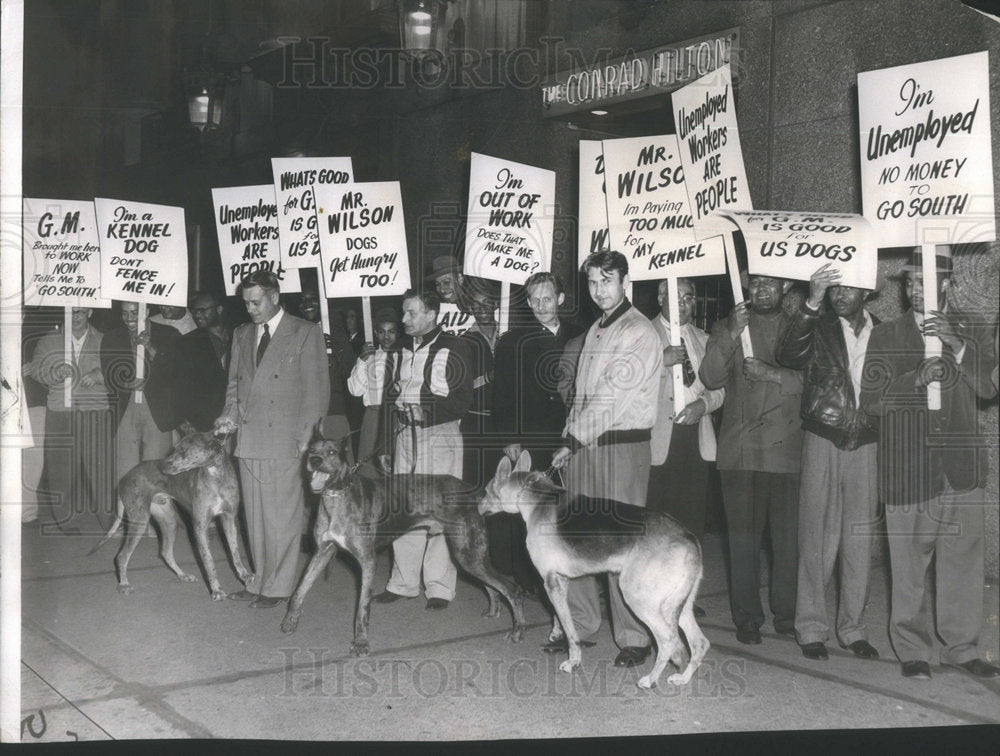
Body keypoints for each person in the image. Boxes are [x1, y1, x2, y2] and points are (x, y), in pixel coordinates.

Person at [860, 247, 999, 680]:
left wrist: (959, 349)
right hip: (908, 470)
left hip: (961, 469)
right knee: (908, 565)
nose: (917, 289)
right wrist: (911, 381)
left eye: (925, 281)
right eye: (910, 282)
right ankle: (912, 649)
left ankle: (962, 646)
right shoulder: (886, 336)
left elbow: (988, 390)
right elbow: (872, 406)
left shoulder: (972, 328)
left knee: (963, 561)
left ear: (947, 284)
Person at [550, 251, 662, 668]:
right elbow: (581, 397)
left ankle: (634, 634)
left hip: (620, 448)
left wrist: (573, 441)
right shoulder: (596, 329)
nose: (599, 291)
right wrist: (569, 438)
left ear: (625, 281)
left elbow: (612, 398)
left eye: (607, 281)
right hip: (582, 446)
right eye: (593, 283)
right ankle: (580, 623)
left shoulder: (639, 332)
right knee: (577, 534)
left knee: (619, 543)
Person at [776, 263, 881, 662]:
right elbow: (787, 354)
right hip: (822, 435)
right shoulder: (816, 323)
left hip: (866, 441)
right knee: (815, 537)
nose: (840, 293)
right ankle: (812, 628)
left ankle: (853, 629)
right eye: (834, 287)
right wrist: (812, 300)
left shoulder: (883, 329)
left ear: (868, 290)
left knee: (859, 540)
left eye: (849, 286)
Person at [214, 271, 329, 609]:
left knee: (282, 518)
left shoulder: (305, 332)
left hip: (286, 440)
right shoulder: (241, 334)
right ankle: (259, 579)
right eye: (246, 303)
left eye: (256, 302)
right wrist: (228, 417)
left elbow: (316, 393)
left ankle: (278, 587)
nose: (250, 309)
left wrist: (306, 443)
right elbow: (236, 389)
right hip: (249, 439)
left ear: (275, 297)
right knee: (256, 518)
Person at [700, 272, 802, 646]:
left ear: (786, 287)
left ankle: (786, 614)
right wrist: (730, 333)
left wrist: (773, 375)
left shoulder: (801, 327)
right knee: (742, 540)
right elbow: (710, 378)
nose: (761, 290)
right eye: (755, 282)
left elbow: (816, 383)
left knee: (786, 541)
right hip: (740, 451)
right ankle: (747, 617)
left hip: (786, 449)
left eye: (770, 283)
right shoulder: (728, 326)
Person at [373, 288, 473, 611]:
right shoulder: (399, 349)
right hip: (404, 435)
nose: (404, 320)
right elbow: (390, 398)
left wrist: (426, 410)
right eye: (404, 312)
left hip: (439, 435)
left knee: (439, 509)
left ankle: (440, 586)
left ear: (431, 314)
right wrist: (385, 443)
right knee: (404, 507)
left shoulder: (456, 347)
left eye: (411, 313)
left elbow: (462, 400)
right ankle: (403, 582)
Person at [492, 272, 583, 591]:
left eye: (548, 298)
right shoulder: (513, 340)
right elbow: (501, 394)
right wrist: (509, 437)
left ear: (560, 299)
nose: (541, 306)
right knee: (530, 508)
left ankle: (569, 571)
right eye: (535, 300)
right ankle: (528, 580)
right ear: (527, 302)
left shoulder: (582, 336)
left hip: (570, 433)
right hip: (530, 435)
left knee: (568, 505)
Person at [647, 278, 723, 617]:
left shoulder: (706, 340)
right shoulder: (642, 334)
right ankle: (653, 597)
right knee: (656, 525)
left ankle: (685, 600)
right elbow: (624, 382)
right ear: (660, 297)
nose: (684, 303)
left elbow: (721, 388)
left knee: (690, 525)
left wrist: (702, 406)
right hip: (658, 441)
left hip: (696, 438)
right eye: (676, 296)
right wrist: (658, 361)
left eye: (689, 297)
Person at [27, 307, 114, 534]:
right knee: (61, 470)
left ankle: (109, 521)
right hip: (60, 412)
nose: (75, 317)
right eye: (71, 312)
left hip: (96, 412)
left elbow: (118, 373)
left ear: (91, 312)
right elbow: (35, 369)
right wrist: (54, 372)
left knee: (101, 469)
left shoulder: (105, 339)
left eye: (81, 312)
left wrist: (99, 375)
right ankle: (65, 521)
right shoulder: (50, 339)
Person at [101, 301, 180, 484]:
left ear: (147, 311)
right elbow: (108, 374)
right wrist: (126, 383)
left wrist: (150, 348)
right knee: (124, 472)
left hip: (158, 411)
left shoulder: (169, 334)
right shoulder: (112, 337)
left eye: (135, 313)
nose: (129, 318)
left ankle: (154, 512)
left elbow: (176, 371)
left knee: (156, 473)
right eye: (125, 313)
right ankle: (124, 513)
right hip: (125, 409)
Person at [347, 307, 401, 466]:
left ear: (398, 333)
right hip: (374, 416)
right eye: (382, 332)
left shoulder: (405, 356)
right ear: (376, 333)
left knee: (396, 465)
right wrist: (362, 361)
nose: (386, 336)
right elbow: (355, 391)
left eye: (391, 332)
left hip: (397, 416)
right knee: (369, 466)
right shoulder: (369, 357)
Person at [299, 289, 353, 449]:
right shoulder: (296, 334)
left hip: (333, 409)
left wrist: (335, 352)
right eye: (303, 300)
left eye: (313, 299)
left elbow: (349, 374)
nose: (308, 304)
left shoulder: (335, 333)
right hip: (304, 411)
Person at [459, 279, 500, 488]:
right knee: (475, 484)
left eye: (487, 303)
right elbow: (460, 389)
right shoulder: (465, 341)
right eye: (476, 304)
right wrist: (488, 378)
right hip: (476, 426)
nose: (481, 309)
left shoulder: (509, 335)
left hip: (504, 424)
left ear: (495, 304)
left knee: (502, 485)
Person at [176, 291, 230, 431]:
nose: (196, 315)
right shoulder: (188, 343)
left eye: (202, 310)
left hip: (233, 418)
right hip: (202, 422)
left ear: (219, 310)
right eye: (194, 311)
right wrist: (185, 420)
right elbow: (181, 385)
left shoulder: (239, 335)